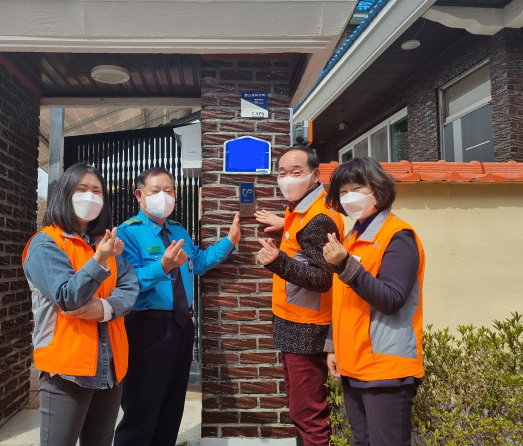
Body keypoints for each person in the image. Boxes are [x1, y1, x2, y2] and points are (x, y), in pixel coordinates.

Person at [114, 166, 241, 446]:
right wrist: (162, 266)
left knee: (172, 405)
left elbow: (200, 262)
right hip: (147, 327)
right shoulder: (127, 233)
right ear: (139, 195)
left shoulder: (179, 231)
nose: (164, 196)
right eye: (156, 190)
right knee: (142, 406)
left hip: (182, 324)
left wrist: (229, 241)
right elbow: (128, 282)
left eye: (169, 190)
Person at [22, 162, 139, 446]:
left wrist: (105, 309)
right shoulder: (45, 244)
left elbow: (130, 286)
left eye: (97, 191)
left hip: (110, 368)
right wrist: (99, 260)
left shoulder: (104, 242)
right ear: (65, 194)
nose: (90, 196)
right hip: (67, 370)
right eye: (82, 189)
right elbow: (68, 297)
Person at [322, 157, 425, 446]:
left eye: (357, 188)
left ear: (378, 189)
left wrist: (345, 265)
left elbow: (391, 299)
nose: (349, 197)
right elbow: (344, 299)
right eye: (343, 192)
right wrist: (333, 346)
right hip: (353, 363)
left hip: (385, 366)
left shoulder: (398, 236)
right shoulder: (352, 237)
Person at [255, 145, 344, 446]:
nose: (288, 178)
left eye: (297, 172)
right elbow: (305, 246)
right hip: (294, 322)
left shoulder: (317, 219)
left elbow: (323, 279)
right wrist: (285, 226)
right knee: (300, 410)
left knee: (308, 415)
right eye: (282, 173)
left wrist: (276, 261)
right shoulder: (300, 209)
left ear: (315, 175)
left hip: (306, 328)